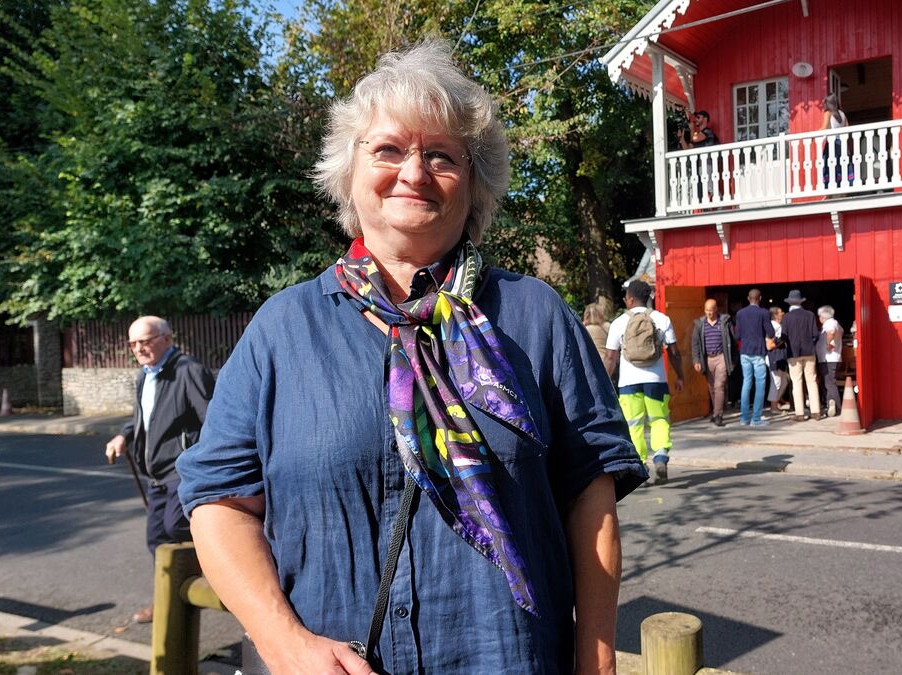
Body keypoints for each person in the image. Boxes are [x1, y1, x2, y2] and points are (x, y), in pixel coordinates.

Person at [176, 41, 646, 674]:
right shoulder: (281, 330)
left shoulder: (536, 316)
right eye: (388, 149)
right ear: (348, 173)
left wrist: (596, 659)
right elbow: (219, 502)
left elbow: (590, 497)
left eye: (442, 155)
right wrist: (285, 645)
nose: (414, 172)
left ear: (475, 183)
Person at [103, 315, 214, 624]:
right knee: (156, 539)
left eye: (146, 341)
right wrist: (124, 435)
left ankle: (217, 576)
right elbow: (143, 418)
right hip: (156, 475)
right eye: (134, 343)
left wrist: (202, 464)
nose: (139, 348)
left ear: (167, 338)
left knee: (176, 527)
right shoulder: (145, 376)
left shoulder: (188, 371)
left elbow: (214, 421)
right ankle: (166, 598)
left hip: (183, 470)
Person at [604, 279, 684, 485]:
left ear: (630, 299)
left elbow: (611, 357)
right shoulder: (662, 319)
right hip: (656, 380)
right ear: (649, 297)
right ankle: (660, 457)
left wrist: (604, 384)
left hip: (629, 382)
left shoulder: (619, 322)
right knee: (659, 419)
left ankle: (640, 464)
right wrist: (680, 376)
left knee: (634, 424)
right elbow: (674, 353)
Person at [690, 298, 735, 427]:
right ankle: (716, 411)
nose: (709, 313)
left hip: (721, 357)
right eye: (706, 310)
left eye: (711, 310)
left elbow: (732, 341)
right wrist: (696, 360)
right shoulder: (700, 324)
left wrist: (733, 360)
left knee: (719, 385)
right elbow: (695, 344)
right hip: (707, 359)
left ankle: (718, 415)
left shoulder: (724, 322)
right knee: (711, 387)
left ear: (716, 309)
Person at [734, 289, 774, 426]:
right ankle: (756, 419)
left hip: (744, 351)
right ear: (760, 298)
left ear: (748, 298)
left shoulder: (740, 313)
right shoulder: (764, 313)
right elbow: (771, 332)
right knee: (760, 385)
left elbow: (737, 335)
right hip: (758, 351)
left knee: (746, 383)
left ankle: (744, 418)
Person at [780, 289, 821, 421]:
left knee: (797, 382)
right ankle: (816, 411)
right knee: (812, 381)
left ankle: (800, 413)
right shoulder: (810, 315)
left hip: (793, 352)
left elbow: (783, 336)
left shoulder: (786, 317)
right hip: (809, 352)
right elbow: (816, 334)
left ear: (790, 303)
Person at [816, 305, 845, 417]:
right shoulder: (836, 324)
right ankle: (830, 403)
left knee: (830, 383)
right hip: (832, 358)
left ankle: (835, 406)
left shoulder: (830, 323)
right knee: (828, 382)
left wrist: (828, 343)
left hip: (829, 358)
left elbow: (831, 332)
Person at [820, 94, 853, 188]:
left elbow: (824, 127)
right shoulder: (842, 114)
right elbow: (847, 129)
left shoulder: (828, 113)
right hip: (842, 144)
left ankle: (828, 193)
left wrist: (811, 135)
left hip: (832, 144)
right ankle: (844, 191)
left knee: (829, 167)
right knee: (842, 166)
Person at [766, 306, 791, 415]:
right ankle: (773, 406)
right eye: (781, 312)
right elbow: (769, 345)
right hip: (774, 356)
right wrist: (782, 340)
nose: (783, 313)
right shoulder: (773, 326)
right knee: (776, 381)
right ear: (775, 315)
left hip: (780, 356)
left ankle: (776, 402)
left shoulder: (779, 326)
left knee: (784, 381)